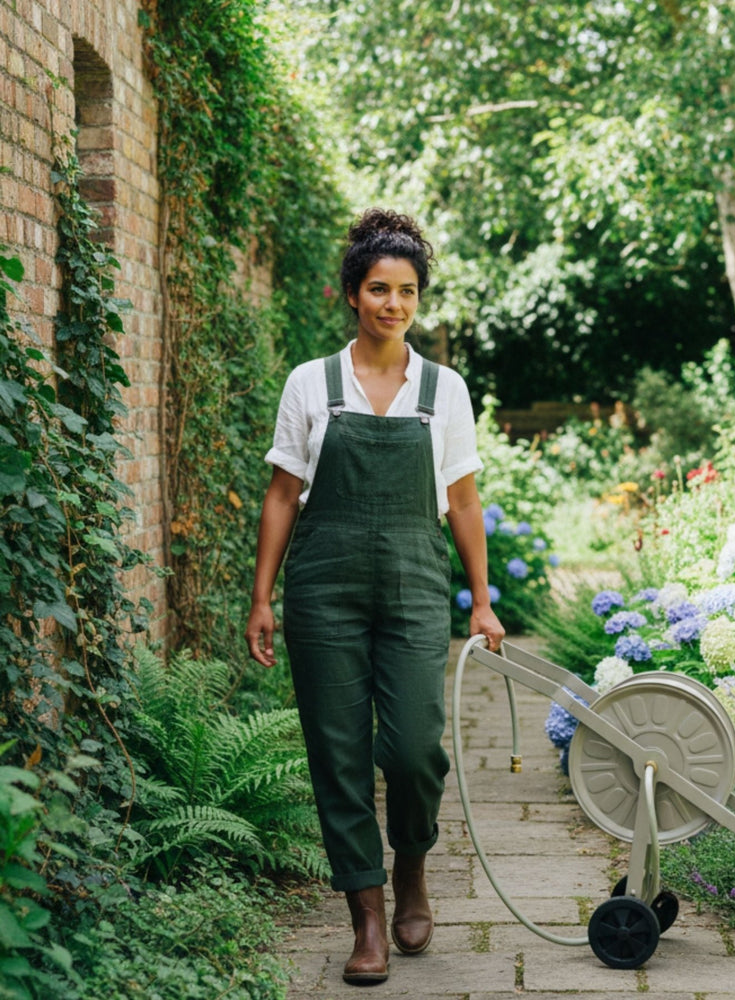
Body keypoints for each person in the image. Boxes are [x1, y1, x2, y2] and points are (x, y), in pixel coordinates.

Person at [244, 208, 505, 986]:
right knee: (338, 753)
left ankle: (413, 869)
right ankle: (366, 915)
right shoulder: (312, 384)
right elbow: (283, 494)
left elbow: (461, 499)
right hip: (323, 591)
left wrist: (482, 601)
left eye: (409, 291)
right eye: (380, 289)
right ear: (352, 295)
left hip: (416, 587)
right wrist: (262, 598)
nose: (395, 304)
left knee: (416, 747)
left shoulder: (443, 388)